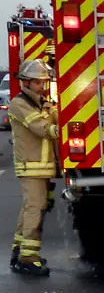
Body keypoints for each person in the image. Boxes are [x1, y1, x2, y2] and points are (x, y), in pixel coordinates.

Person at [9, 59, 59, 276]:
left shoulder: (39, 102)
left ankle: (19, 251)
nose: (43, 86)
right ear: (26, 82)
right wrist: (65, 130)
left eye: (43, 82)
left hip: (40, 167)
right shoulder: (19, 104)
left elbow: (53, 116)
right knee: (34, 209)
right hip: (31, 167)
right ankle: (28, 259)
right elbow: (41, 128)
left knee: (29, 208)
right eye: (38, 83)